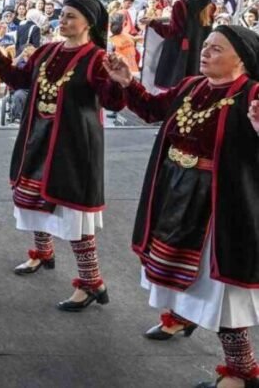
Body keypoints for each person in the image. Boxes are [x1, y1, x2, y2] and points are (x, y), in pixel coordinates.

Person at [107, 26, 259, 388]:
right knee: (178, 272)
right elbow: (152, 109)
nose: (205, 53)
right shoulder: (192, 87)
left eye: (216, 49)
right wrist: (128, 82)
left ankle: (243, 371)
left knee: (219, 291)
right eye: (205, 46)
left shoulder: (252, 94)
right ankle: (180, 318)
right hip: (176, 195)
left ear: (241, 58)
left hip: (219, 209)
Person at [0, 0, 125, 311]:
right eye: (63, 15)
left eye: (72, 17)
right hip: (38, 136)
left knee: (72, 214)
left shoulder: (98, 58)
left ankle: (92, 281)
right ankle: (43, 252)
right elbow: (19, 80)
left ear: (89, 23)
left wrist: (120, 81)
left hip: (73, 146)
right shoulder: (47, 51)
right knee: (32, 199)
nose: (64, 21)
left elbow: (112, 102)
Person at [144, 0, 216, 90]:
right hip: (200, 53)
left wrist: (153, 23)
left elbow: (173, 33)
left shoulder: (181, 5)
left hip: (181, 55)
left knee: (178, 90)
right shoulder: (210, 6)